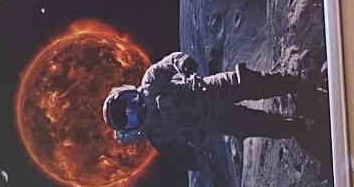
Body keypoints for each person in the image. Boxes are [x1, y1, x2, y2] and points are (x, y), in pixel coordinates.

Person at [103, 51, 311, 148]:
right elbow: (176, 145)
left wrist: (182, 63)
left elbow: (168, 63)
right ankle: (294, 128)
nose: (133, 108)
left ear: (128, 92)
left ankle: (295, 83)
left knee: (253, 84)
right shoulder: (156, 132)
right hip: (215, 119)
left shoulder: (150, 83)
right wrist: (185, 150)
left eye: (129, 102)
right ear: (130, 128)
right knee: (256, 124)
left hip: (212, 89)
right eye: (129, 116)